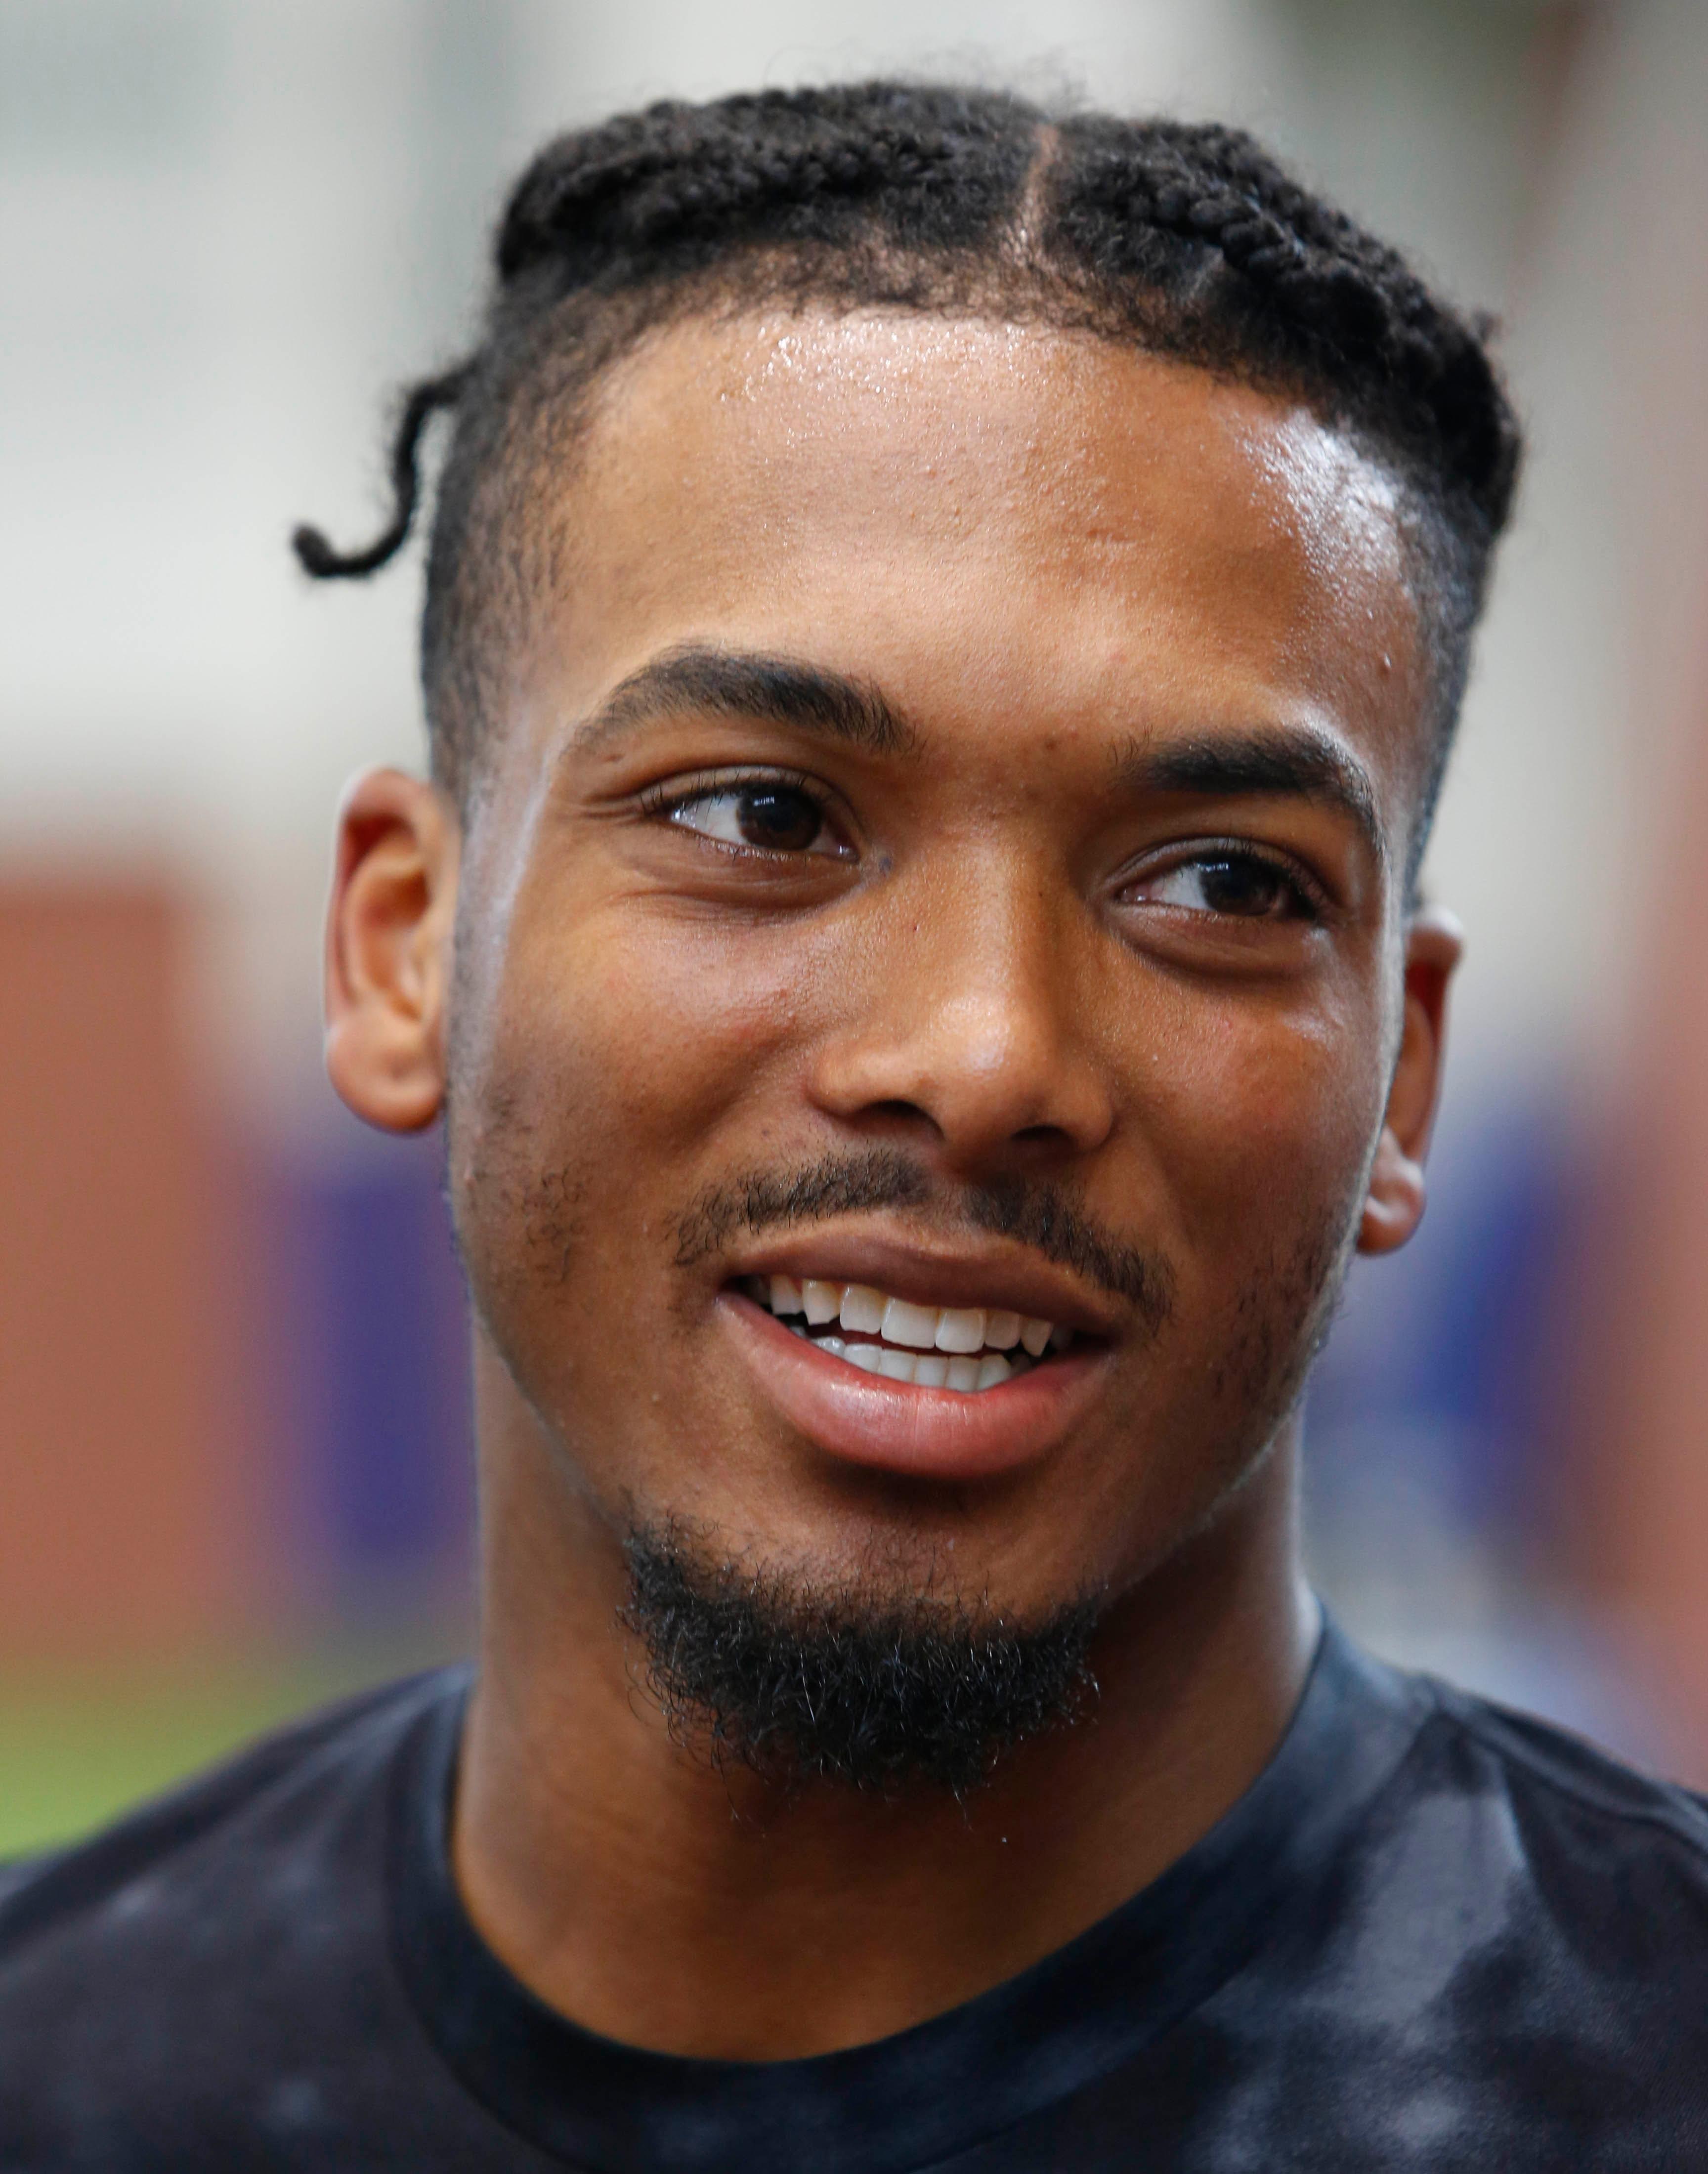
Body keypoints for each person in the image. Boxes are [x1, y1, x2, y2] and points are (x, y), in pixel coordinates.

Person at [3, 80, 1705, 2172]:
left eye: (1226, 882)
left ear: (1404, 1075)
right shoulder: (66, 2070)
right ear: (402, 946)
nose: (987, 1053)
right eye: (762, 817)